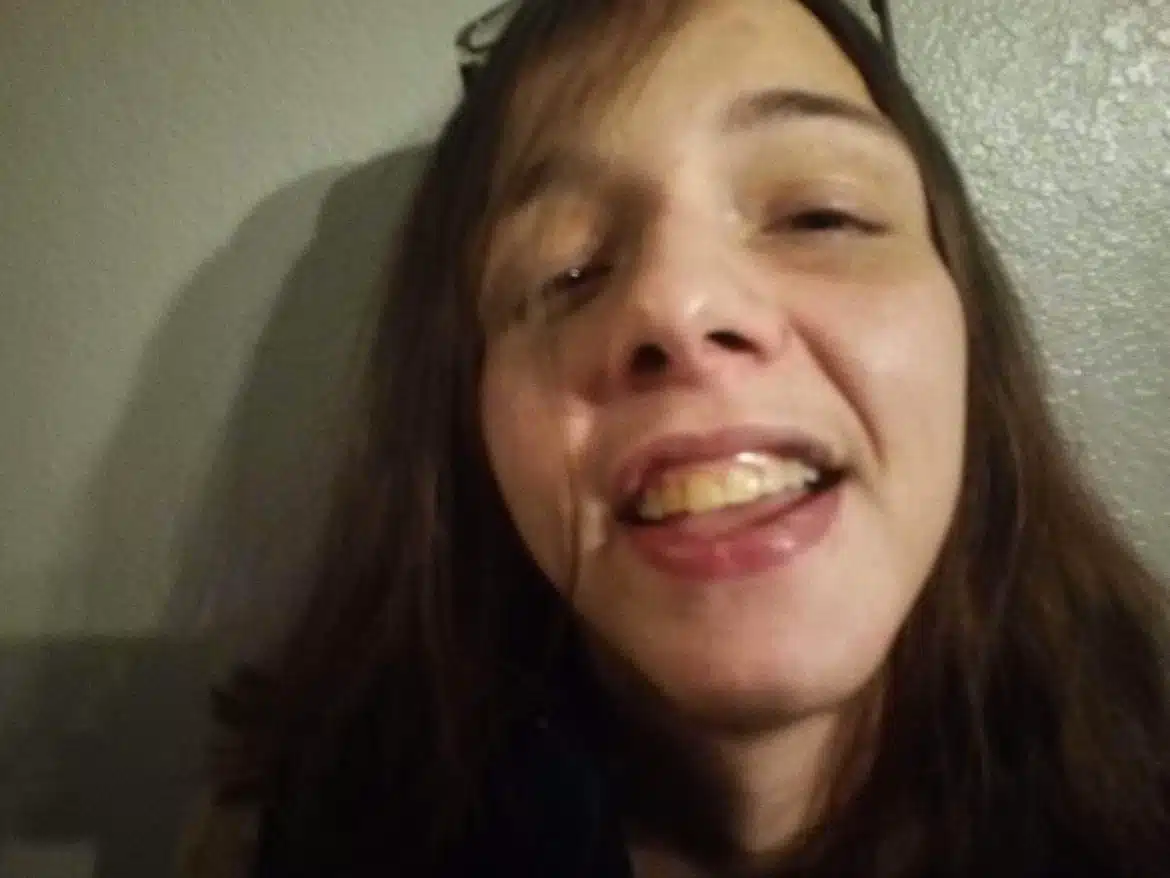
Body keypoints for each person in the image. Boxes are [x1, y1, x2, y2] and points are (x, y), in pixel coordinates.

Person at [179, 0, 1170, 876]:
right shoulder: (293, 843)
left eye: (819, 214)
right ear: (469, 426)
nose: (676, 305)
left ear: (968, 334)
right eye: (566, 272)